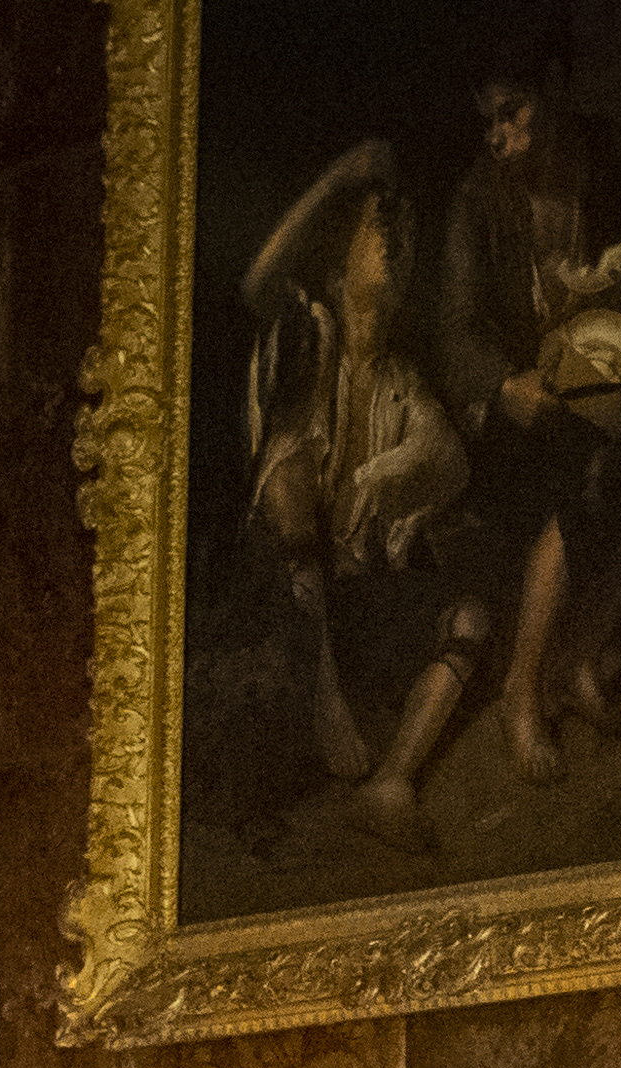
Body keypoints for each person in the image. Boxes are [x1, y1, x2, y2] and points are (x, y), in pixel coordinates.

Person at [433, 28, 621, 789]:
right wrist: (500, 385)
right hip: (516, 409)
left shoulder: (603, 155)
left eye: (513, 113)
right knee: (577, 467)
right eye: (488, 122)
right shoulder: (476, 201)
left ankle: (581, 651)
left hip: (596, 375)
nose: (500, 137)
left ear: (554, 90)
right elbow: (453, 332)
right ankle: (521, 692)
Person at [238, 140, 484, 818]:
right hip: (285, 592)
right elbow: (257, 284)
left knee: (470, 617)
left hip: (357, 597)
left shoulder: (403, 384)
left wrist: (397, 470)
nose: (399, 244)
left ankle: (395, 778)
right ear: (340, 253)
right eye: (382, 228)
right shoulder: (309, 334)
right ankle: (323, 694)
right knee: (288, 473)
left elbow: (450, 461)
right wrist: (341, 175)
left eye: (405, 234)